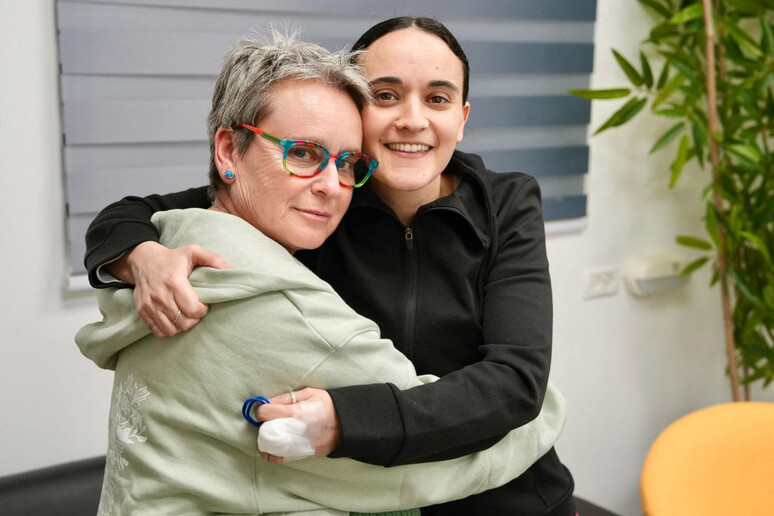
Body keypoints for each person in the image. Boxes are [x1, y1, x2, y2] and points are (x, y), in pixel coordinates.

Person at [84, 17, 576, 516]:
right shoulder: (321, 204)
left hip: (511, 492)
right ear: (358, 112)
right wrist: (142, 257)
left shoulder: (505, 200)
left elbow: (516, 380)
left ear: (462, 116)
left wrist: (346, 418)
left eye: (438, 98)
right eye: (385, 95)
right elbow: (138, 212)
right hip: (388, 491)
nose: (412, 119)